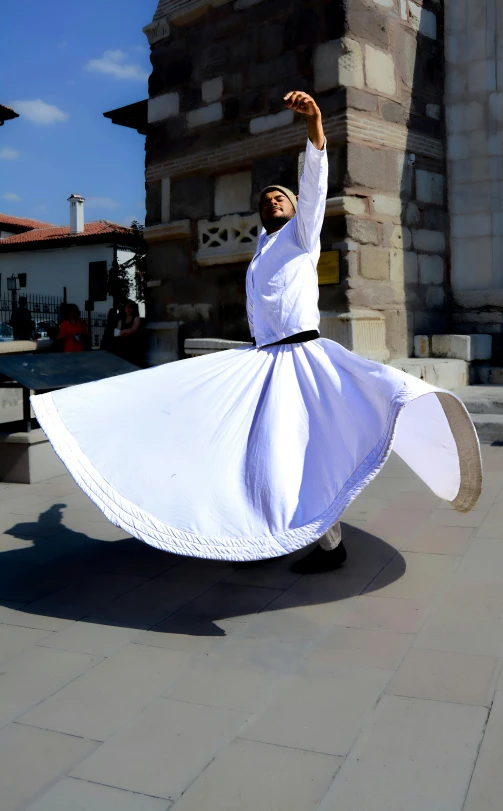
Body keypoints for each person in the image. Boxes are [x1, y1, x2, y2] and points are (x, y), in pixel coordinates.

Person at [31, 91, 482, 574]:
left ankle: (331, 546)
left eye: (280, 197)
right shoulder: (261, 252)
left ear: (293, 209)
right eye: (267, 199)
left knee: (304, 456)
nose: (274, 200)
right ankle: (259, 541)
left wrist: (314, 128)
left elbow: (313, 185)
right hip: (264, 361)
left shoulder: (302, 238)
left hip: (301, 359)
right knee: (258, 457)